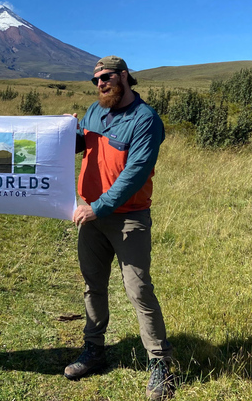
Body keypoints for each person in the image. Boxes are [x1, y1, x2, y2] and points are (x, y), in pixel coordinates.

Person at [65, 56, 175, 400]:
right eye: (96, 79)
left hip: (128, 218)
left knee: (139, 291)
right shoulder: (94, 112)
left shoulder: (146, 120)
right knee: (93, 286)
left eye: (107, 77)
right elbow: (81, 147)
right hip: (93, 218)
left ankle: (161, 365)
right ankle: (93, 351)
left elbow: (135, 174)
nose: (100, 83)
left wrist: (98, 208)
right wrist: (66, 133)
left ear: (125, 77)